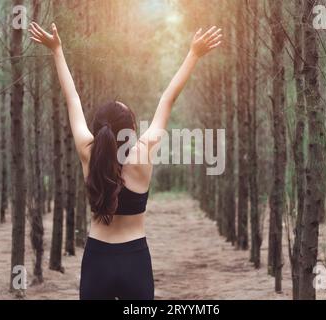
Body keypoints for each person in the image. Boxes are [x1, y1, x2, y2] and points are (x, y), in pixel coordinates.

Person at [28, 21, 222, 300]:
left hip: (97, 260)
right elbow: (167, 99)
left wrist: (57, 50)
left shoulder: (88, 151)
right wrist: (193, 54)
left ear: (99, 129)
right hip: (135, 260)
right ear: (131, 128)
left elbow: (72, 99)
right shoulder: (143, 153)